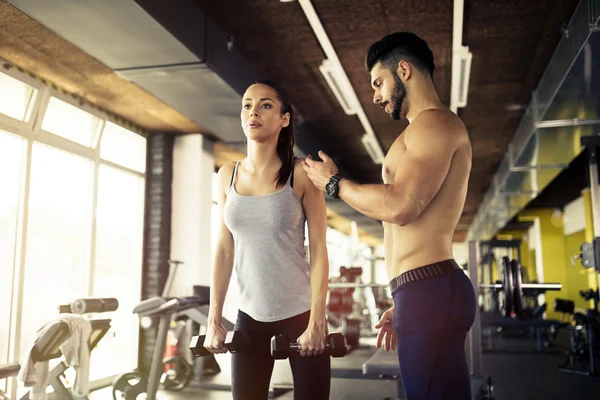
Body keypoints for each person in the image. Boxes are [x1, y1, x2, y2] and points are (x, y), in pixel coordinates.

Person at [302, 32, 476, 399]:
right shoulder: (421, 131)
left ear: (404, 70)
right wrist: (404, 298)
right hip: (420, 290)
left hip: (430, 290)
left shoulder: (435, 124)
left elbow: (401, 207)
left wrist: (333, 183)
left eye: (379, 83)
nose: (376, 95)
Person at [204, 80, 332, 400]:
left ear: (283, 119)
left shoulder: (302, 173)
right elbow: (223, 250)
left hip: (301, 313)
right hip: (250, 315)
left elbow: (318, 249)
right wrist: (214, 318)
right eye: (247, 105)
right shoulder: (226, 175)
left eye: (265, 105)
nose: (253, 112)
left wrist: (318, 319)